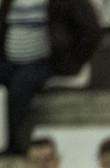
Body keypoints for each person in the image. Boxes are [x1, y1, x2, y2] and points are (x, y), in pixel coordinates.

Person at [0, 0, 100, 155]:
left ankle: (13, 143)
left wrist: (71, 60)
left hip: (47, 62)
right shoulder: (9, 2)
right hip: (9, 62)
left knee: (20, 87)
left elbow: (91, 30)